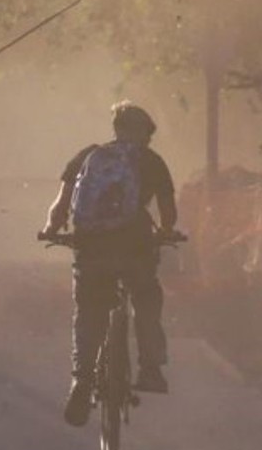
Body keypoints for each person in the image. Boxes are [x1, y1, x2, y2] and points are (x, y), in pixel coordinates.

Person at [41, 101, 179, 427]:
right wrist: (167, 232)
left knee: (89, 310)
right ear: (143, 133)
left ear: (115, 129)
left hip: (92, 249)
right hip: (136, 247)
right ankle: (150, 368)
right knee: (146, 298)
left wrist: (51, 229)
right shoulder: (152, 161)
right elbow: (168, 212)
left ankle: (82, 379)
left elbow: (61, 206)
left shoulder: (89, 156)